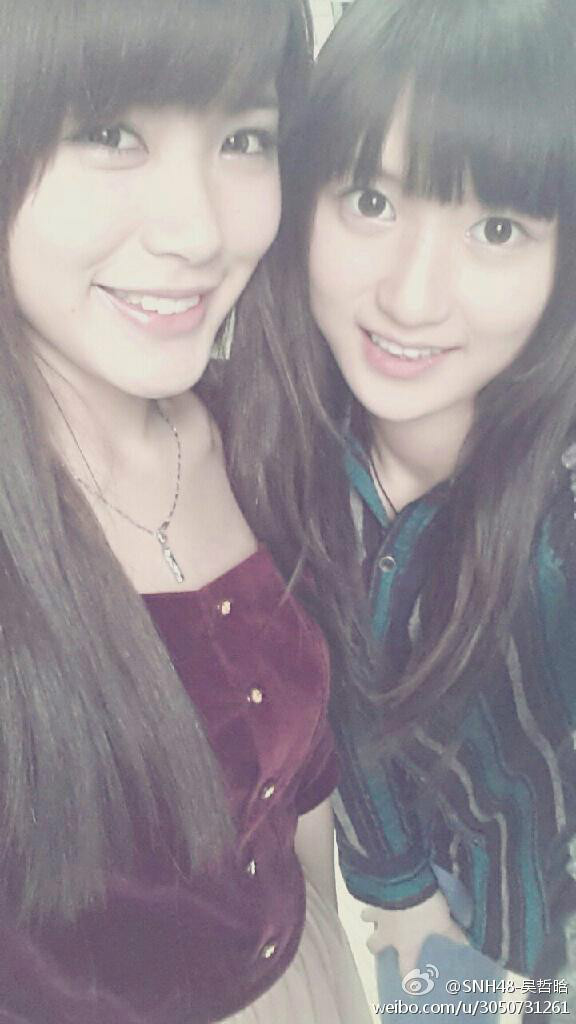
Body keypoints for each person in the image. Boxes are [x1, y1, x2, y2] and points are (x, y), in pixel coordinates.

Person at [0, 1, 373, 1021]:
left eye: (243, 139)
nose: (200, 231)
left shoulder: (265, 432)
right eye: (109, 132)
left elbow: (301, 807)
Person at [230, 0, 576, 1017]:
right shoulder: (276, 441)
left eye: (497, 228)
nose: (412, 298)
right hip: (398, 890)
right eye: (372, 201)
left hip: (542, 915)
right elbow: (340, 704)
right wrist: (399, 893)